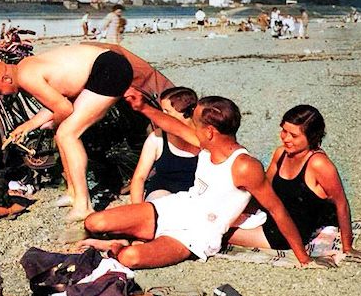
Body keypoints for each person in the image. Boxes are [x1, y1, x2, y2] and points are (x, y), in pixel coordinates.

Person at [78, 95, 336, 270]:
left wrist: (303, 258)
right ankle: (135, 237)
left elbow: (277, 210)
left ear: (210, 131)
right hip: (176, 207)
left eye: (196, 124)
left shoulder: (244, 166)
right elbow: (173, 126)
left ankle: (123, 244)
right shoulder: (207, 145)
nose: (191, 128)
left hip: (196, 234)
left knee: (129, 258)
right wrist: (143, 107)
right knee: (94, 222)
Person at [0, 43, 141, 222]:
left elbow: (64, 109)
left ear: (6, 79)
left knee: (67, 134)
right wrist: (28, 126)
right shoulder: (24, 68)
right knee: (62, 134)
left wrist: (54, 123)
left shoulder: (26, 77)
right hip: (102, 67)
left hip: (108, 69)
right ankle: (73, 192)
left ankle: (84, 206)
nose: (1, 95)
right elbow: (56, 103)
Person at [225, 105, 361, 260]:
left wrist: (347, 246)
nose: (286, 138)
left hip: (285, 235)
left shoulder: (319, 164)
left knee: (217, 232)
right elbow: (264, 188)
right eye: (284, 131)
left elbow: (341, 203)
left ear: (311, 137)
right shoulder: (281, 153)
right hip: (271, 217)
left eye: (294, 135)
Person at [128, 87, 199, 204]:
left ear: (188, 114)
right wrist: (137, 208)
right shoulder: (157, 138)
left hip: (196, 196)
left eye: (167, 112)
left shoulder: (203, 138)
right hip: (162, 192)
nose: (161, 115)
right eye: (162, 111)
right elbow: (139, 177)